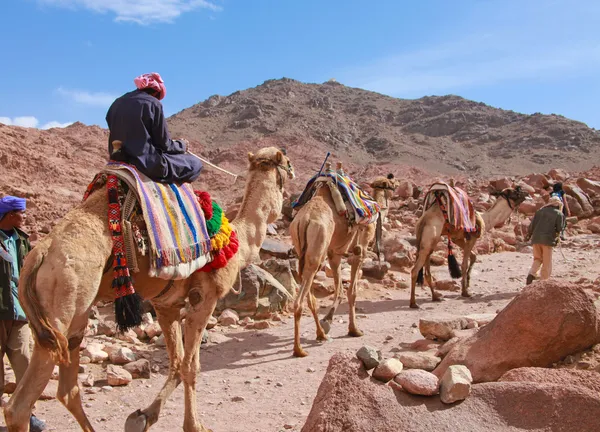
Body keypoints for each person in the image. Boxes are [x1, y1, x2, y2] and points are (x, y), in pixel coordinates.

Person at [0, 196, 46, 431]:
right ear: (10, 216)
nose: (25, 217)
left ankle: (27, 414)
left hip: (19, 312)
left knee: (26, 365)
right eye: (21, 213)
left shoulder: (22, 241)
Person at [105, 72, 202, 184]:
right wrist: (182, 145)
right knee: (195, 163)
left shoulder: (117, 103)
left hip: (118, 158)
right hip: (146, 163)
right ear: (156, 92)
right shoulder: (153, 103)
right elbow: (164, 145)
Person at [525, 196, 564, 285]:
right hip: (548, 240)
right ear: (558, 204)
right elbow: (559, 228)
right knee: (547, 261)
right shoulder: (558, 214)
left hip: (536, 239)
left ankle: (531, 273)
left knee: (538, 259)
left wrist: (529, 235)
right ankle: (544, 282)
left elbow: (532, 226)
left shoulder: (539, 211)